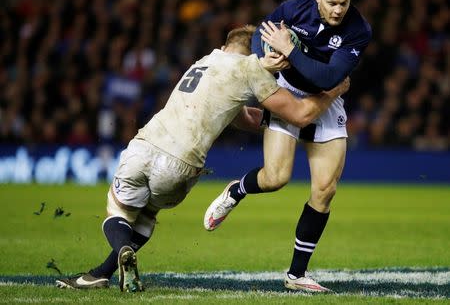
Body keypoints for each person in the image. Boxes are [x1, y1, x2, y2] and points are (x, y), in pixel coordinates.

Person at [55, 25, 349, 292]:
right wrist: (330, 91)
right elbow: (295, 114)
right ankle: (101, 273)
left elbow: (241, 115)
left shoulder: (204, 61)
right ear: (255, 49)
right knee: (145, 220)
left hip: (147, 146)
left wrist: (273, 119)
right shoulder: (251, 69)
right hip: (181, 168)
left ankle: (120, 252)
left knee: (119, 213)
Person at [204, 0, 371, 293]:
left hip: (326, 96)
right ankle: (236, 190)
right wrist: (264, 59)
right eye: (332, 2)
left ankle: (296, 275)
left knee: (325, 189)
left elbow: (328, 79)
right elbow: (258, 34)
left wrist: (290, 50)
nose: (339, 9)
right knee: (276, 178)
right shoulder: (294, 9)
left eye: (345, 2)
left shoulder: (358, 30)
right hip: (286, 91)